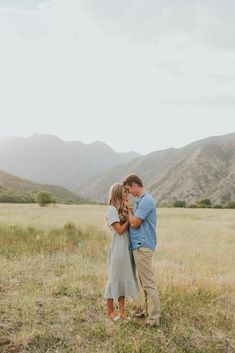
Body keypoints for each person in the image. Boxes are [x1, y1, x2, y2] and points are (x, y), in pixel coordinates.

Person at [123, 174, 160, 327]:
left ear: (135, 185)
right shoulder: (140, 200)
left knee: (148, 283)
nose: (129, 192)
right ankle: (149, 312)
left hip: (143, 246)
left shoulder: (146, 200)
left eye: (129, 189)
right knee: (144, 282)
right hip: (139, 245)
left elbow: (134, 223)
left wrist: (128, 209)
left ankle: (154, 319)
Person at [104, 183, 139, 320]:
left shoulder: (122, 209)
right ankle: (111, 312)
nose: (127, 194)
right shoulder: (112, 210)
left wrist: (129, 210)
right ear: (118, 193)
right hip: (119, 248)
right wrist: (129, 221)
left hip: (126, 248)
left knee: (122, 280)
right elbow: (119, 230)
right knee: (114, 280)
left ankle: (123, 313)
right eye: (125, 192)